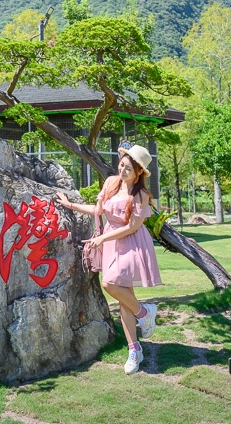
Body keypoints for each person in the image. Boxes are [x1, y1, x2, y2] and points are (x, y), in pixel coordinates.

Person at [56, 144, 162, 374]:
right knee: (126, 299)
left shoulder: (141, 195)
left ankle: (143, 313)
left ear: (139, 173)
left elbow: (132, 227)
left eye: (128, 169)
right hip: (112, 241)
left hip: (130, 242)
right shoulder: (111, 183)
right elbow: (98, 210)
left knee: (109, 284)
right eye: (121, 165)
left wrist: (103, 238)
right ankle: (135, 348)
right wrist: (70, 205)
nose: (122, 171)